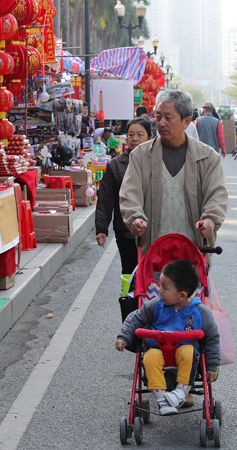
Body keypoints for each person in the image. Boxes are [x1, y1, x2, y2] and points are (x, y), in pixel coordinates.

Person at [119, 89, 228, 254]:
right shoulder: (141, 155)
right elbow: (129, 193)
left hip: (194, 253)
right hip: (153, 254)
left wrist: (210, 221)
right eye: (158, 116)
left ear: (186, 122)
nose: (161, 123)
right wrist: (135, 218)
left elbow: (217, 195)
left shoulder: (207, 157)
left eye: (168, 118)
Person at [115, 259, 221, 415]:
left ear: (182, 296)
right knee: (149, 357)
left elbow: (212, 338)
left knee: (188, 352)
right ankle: (162, 399)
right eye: (160, 285)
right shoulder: (156, 305)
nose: (159, 291)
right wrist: (124, 337)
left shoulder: (200, 312)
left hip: (184, 353)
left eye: (164, 288)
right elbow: (135, 318)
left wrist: (212, 366)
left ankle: (181, 392)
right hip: (158, 349)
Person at [95, 117, 152, 274]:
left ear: (150, 137)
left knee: (153, 276)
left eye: (140, 134)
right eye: (131, 134)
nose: (135, 139)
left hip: (153, 232)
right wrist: (101, 228)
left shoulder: (158, 163)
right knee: (130, 273)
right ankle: (129, 299)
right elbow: (106, 199)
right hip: (126, 231)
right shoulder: (115, 165)